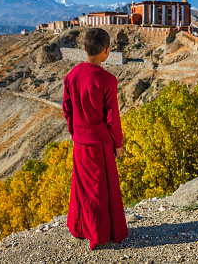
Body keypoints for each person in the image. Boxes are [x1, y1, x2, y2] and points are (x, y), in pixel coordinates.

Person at [62, 28, 128, 250]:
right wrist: (117, 144)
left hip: (80, 142)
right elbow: (112, 118)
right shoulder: (107, 80)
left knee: (82, 188)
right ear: (107, 51)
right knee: (100, 190)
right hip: (100, 144)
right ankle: (100, 233)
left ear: (84, 49)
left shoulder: (71, 76)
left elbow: (67, 109)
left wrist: (75, 133)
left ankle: (81, 228)